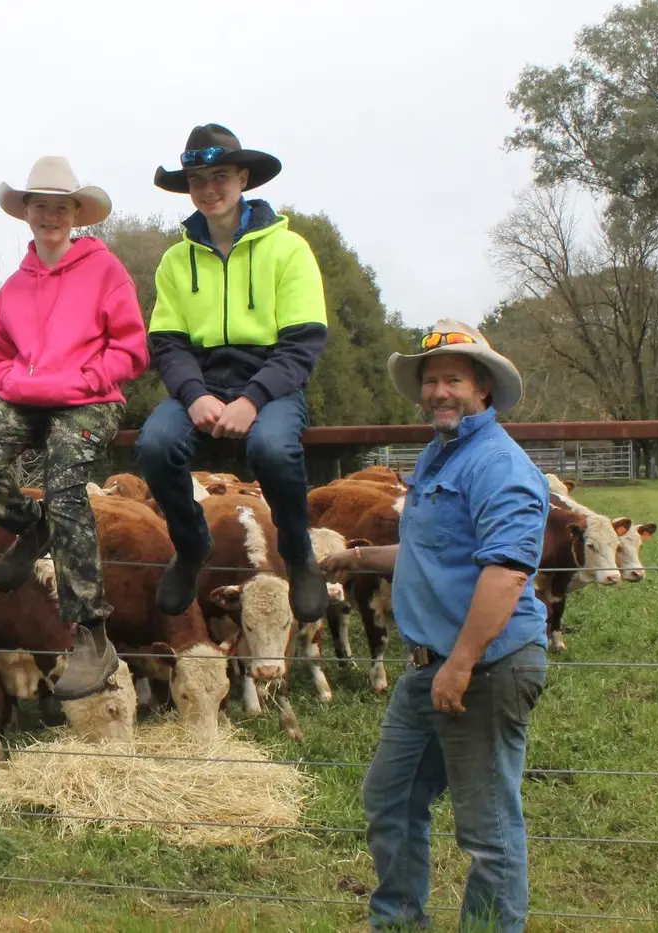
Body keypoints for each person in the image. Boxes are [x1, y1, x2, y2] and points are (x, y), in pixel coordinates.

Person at [320, 320, 550, 932]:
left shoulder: (499, 465)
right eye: (430, 381)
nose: (438, 392)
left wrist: (462, 662)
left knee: (487, 828)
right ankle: (397, 922)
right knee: (389, 799)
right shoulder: (438, 454)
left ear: (483, 389)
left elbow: (504, 573)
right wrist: (363, 556)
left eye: (453, 379)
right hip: (431, 665)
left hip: (486, 663)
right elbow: (435, 552)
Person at [0, 155, 148, 700]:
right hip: (29, 399)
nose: (50, 216)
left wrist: (88, 376)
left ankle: (90, 632)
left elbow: (132, 347)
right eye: (39, 206)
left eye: (60, 207)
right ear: (26, 213)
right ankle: (27, 521)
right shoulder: (15, 286)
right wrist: (14, 382)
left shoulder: (105, 269)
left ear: (76, 213)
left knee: (66, 480)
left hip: (90, 397)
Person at [135, 124, 330, 624]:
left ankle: (297, 552)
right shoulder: (177, 260)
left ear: (243, 178)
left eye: (221, 175)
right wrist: (194, 394)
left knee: (272, 448)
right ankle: (191, 541)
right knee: (155, 444)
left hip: (271, 379)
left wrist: (253, 399)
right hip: (200, 380)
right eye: (198, 179)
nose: (210, 188)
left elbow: (302, 343)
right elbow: (168, 342)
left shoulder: (289, 250)